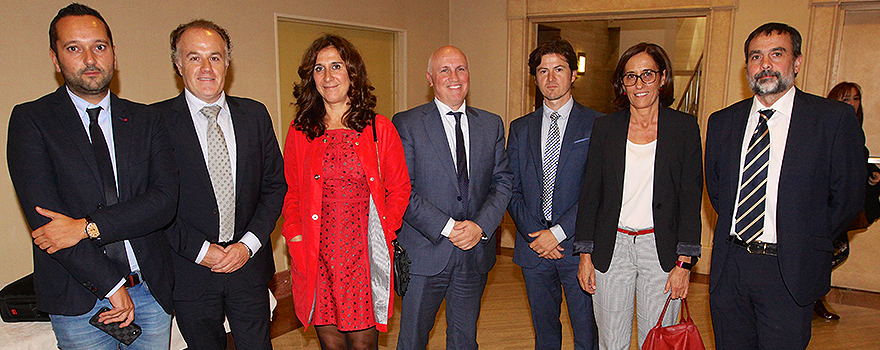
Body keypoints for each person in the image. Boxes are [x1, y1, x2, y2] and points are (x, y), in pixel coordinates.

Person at [6, 3, 177, 349]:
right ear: (55, 59)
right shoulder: (31, 121)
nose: (89, 58)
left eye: (99, 46)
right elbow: (50, 230)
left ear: (114, 54)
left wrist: (85, 226)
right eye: (74, 48)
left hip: (150, 290)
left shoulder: (147, 120)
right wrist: (113, 287)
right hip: (78, 298)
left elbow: (163, 202)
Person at [705, 23, 864, 349]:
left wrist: (805, 236)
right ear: (746, 65)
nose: (765, 65)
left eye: (776, 54)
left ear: (797, 62)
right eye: (755, 56)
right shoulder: (723, 122)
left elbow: (847, 197)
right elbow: (719, 190)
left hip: (789, 269)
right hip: (730, 267)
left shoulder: (831, 120)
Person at [152, 20, 286, 349]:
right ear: (177, 63)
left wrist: (247, 245)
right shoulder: (154, 123)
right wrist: (203, 252)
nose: (206, 67)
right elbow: (155, 203)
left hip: (249, 265)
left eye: (215, 57)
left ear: (227, 62)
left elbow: (274, 187)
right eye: (194, 57)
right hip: (190, 271)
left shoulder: (255, 115)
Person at [281, 34, 411, 350]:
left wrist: (384, 230)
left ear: (352, 73)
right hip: (318, 255)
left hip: (364, 256)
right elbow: (291, 192)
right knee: (330, 345)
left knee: (364, 344)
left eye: (336, 66)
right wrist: (295, 236)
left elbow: (400, 188)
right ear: (311, 78)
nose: (328, 77)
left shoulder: (380, 128)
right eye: (319, 68)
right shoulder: (301, 131)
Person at [574, 43, 703, 349]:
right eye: (630, 77)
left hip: (661, 252)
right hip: (611, 249)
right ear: (622, 84)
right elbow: (591, 194)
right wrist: (585, 254)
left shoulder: (684, 128)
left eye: (647, 74)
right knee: (611, 341)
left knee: (657, 340)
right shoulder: (605, 128)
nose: (639, 84)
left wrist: (684, 263)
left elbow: (690, 198)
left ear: (662, 78)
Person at [393, 46, 513, 350]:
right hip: (425, 253)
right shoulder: (407, 124)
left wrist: (480, 226)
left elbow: (502, 182)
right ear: (430, 78)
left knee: (464, 340)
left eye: (460, 68)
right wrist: (448, 227)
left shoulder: (491, 124)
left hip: (474, 253)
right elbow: (402, 188)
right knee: (412, 340)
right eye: (444, 70)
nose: (454, 77)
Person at [507, 39, 600, 350]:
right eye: (543, 71)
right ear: (534, 78)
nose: (550, 78)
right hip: (533, 248)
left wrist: (557, 234)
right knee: (545, 335)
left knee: (586, 333)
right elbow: (512, 187)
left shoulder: (598, 124)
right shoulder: (520, 128)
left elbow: (596, 191)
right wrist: (539, 236)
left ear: (573, 74)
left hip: (578, 250)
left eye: (558, 69)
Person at [812, 82, 880, 320]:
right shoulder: (826, 124)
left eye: (855, 98)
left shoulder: (855, 128)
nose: (851, 103)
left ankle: (812, 297)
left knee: (833, 252)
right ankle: (812, 297)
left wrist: (870, 175)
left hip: (842, 204)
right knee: (828, 252)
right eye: (845, 99)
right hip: (825, 203)